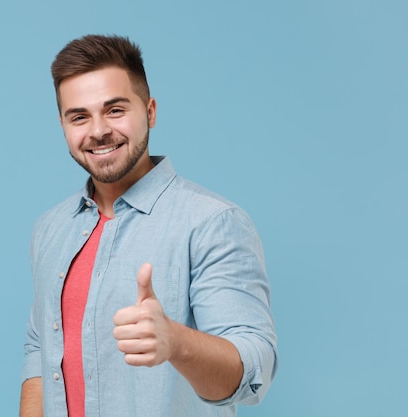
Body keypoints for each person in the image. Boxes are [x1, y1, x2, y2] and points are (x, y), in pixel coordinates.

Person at [20, 34, 278, 417]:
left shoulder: (212, 222)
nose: (98, 131)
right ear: (62, 124)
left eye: (115, 110)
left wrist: (175, 342)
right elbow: (41, 351)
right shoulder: (50, 229)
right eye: (79, 116)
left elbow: (253, 371)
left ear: (150, 111)